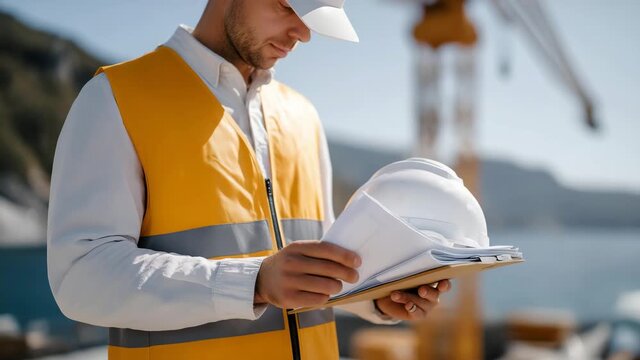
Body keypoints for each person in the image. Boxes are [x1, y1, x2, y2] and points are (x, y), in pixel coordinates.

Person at [47, 0, 451, 359]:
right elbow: (80, 277)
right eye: (287, 7)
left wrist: (382, 297)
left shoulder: (303, 117)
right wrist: (254, 282)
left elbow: (321, 270)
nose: (303, 33)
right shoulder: (116, 98)